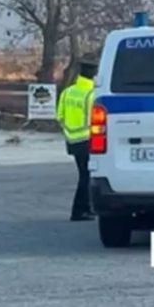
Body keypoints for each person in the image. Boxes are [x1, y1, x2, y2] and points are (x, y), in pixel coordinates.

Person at [56, 58, 97, 221]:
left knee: (84, 175)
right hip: (87, 140)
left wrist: (69, 132)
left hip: (71, 140)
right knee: (86, 177)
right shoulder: (92, 95)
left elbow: (59, 116)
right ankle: (79, 211)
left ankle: (85, 208)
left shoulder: (68, 91)